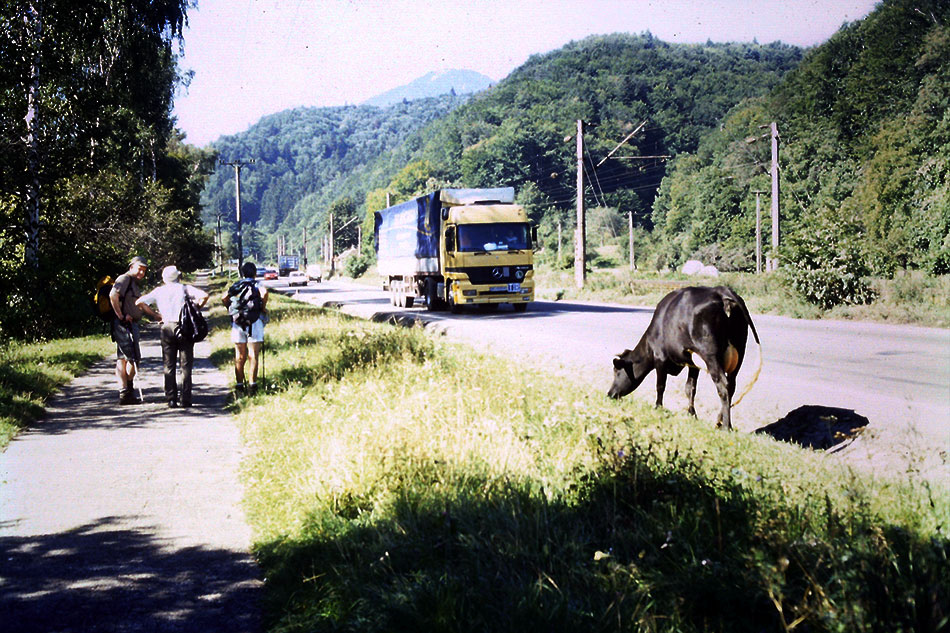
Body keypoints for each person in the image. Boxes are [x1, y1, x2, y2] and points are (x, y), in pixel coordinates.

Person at [136, 265, 209, 408]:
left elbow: (139, 302)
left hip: (167, 326)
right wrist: (196, 309)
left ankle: (171, 398)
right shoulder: (185, 288)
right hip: (184, 327)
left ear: (164, 278)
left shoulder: (159, 291)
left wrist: (156, 315)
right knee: (186, 365)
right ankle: (186, 399)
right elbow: (204, 296)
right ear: (178, 277)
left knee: (168, 365)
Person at [222, 261, 269, 396]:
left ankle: (239, 385)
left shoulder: (237, 285)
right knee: (253, 355)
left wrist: (230, 309)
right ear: (254, 273)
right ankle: (252, 386)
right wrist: (263, 308)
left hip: (238, 322)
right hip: (255, 322)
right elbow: (264, 293)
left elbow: (224, 297)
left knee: (239, 356)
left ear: (242, 273)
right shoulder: (257, 284)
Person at [110, 256, 148, 404]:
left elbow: (141, 304)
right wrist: (121, 316)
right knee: (133, 358)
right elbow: (113, 295)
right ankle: (126, 392)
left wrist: (156, 316)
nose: (142, 273)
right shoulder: (124, 279)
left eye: (144, 271)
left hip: (127, 324)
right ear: (131, 267)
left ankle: (125, 393)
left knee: (123, 358)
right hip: (123, 324)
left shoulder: (132, 282)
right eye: (140, 269)